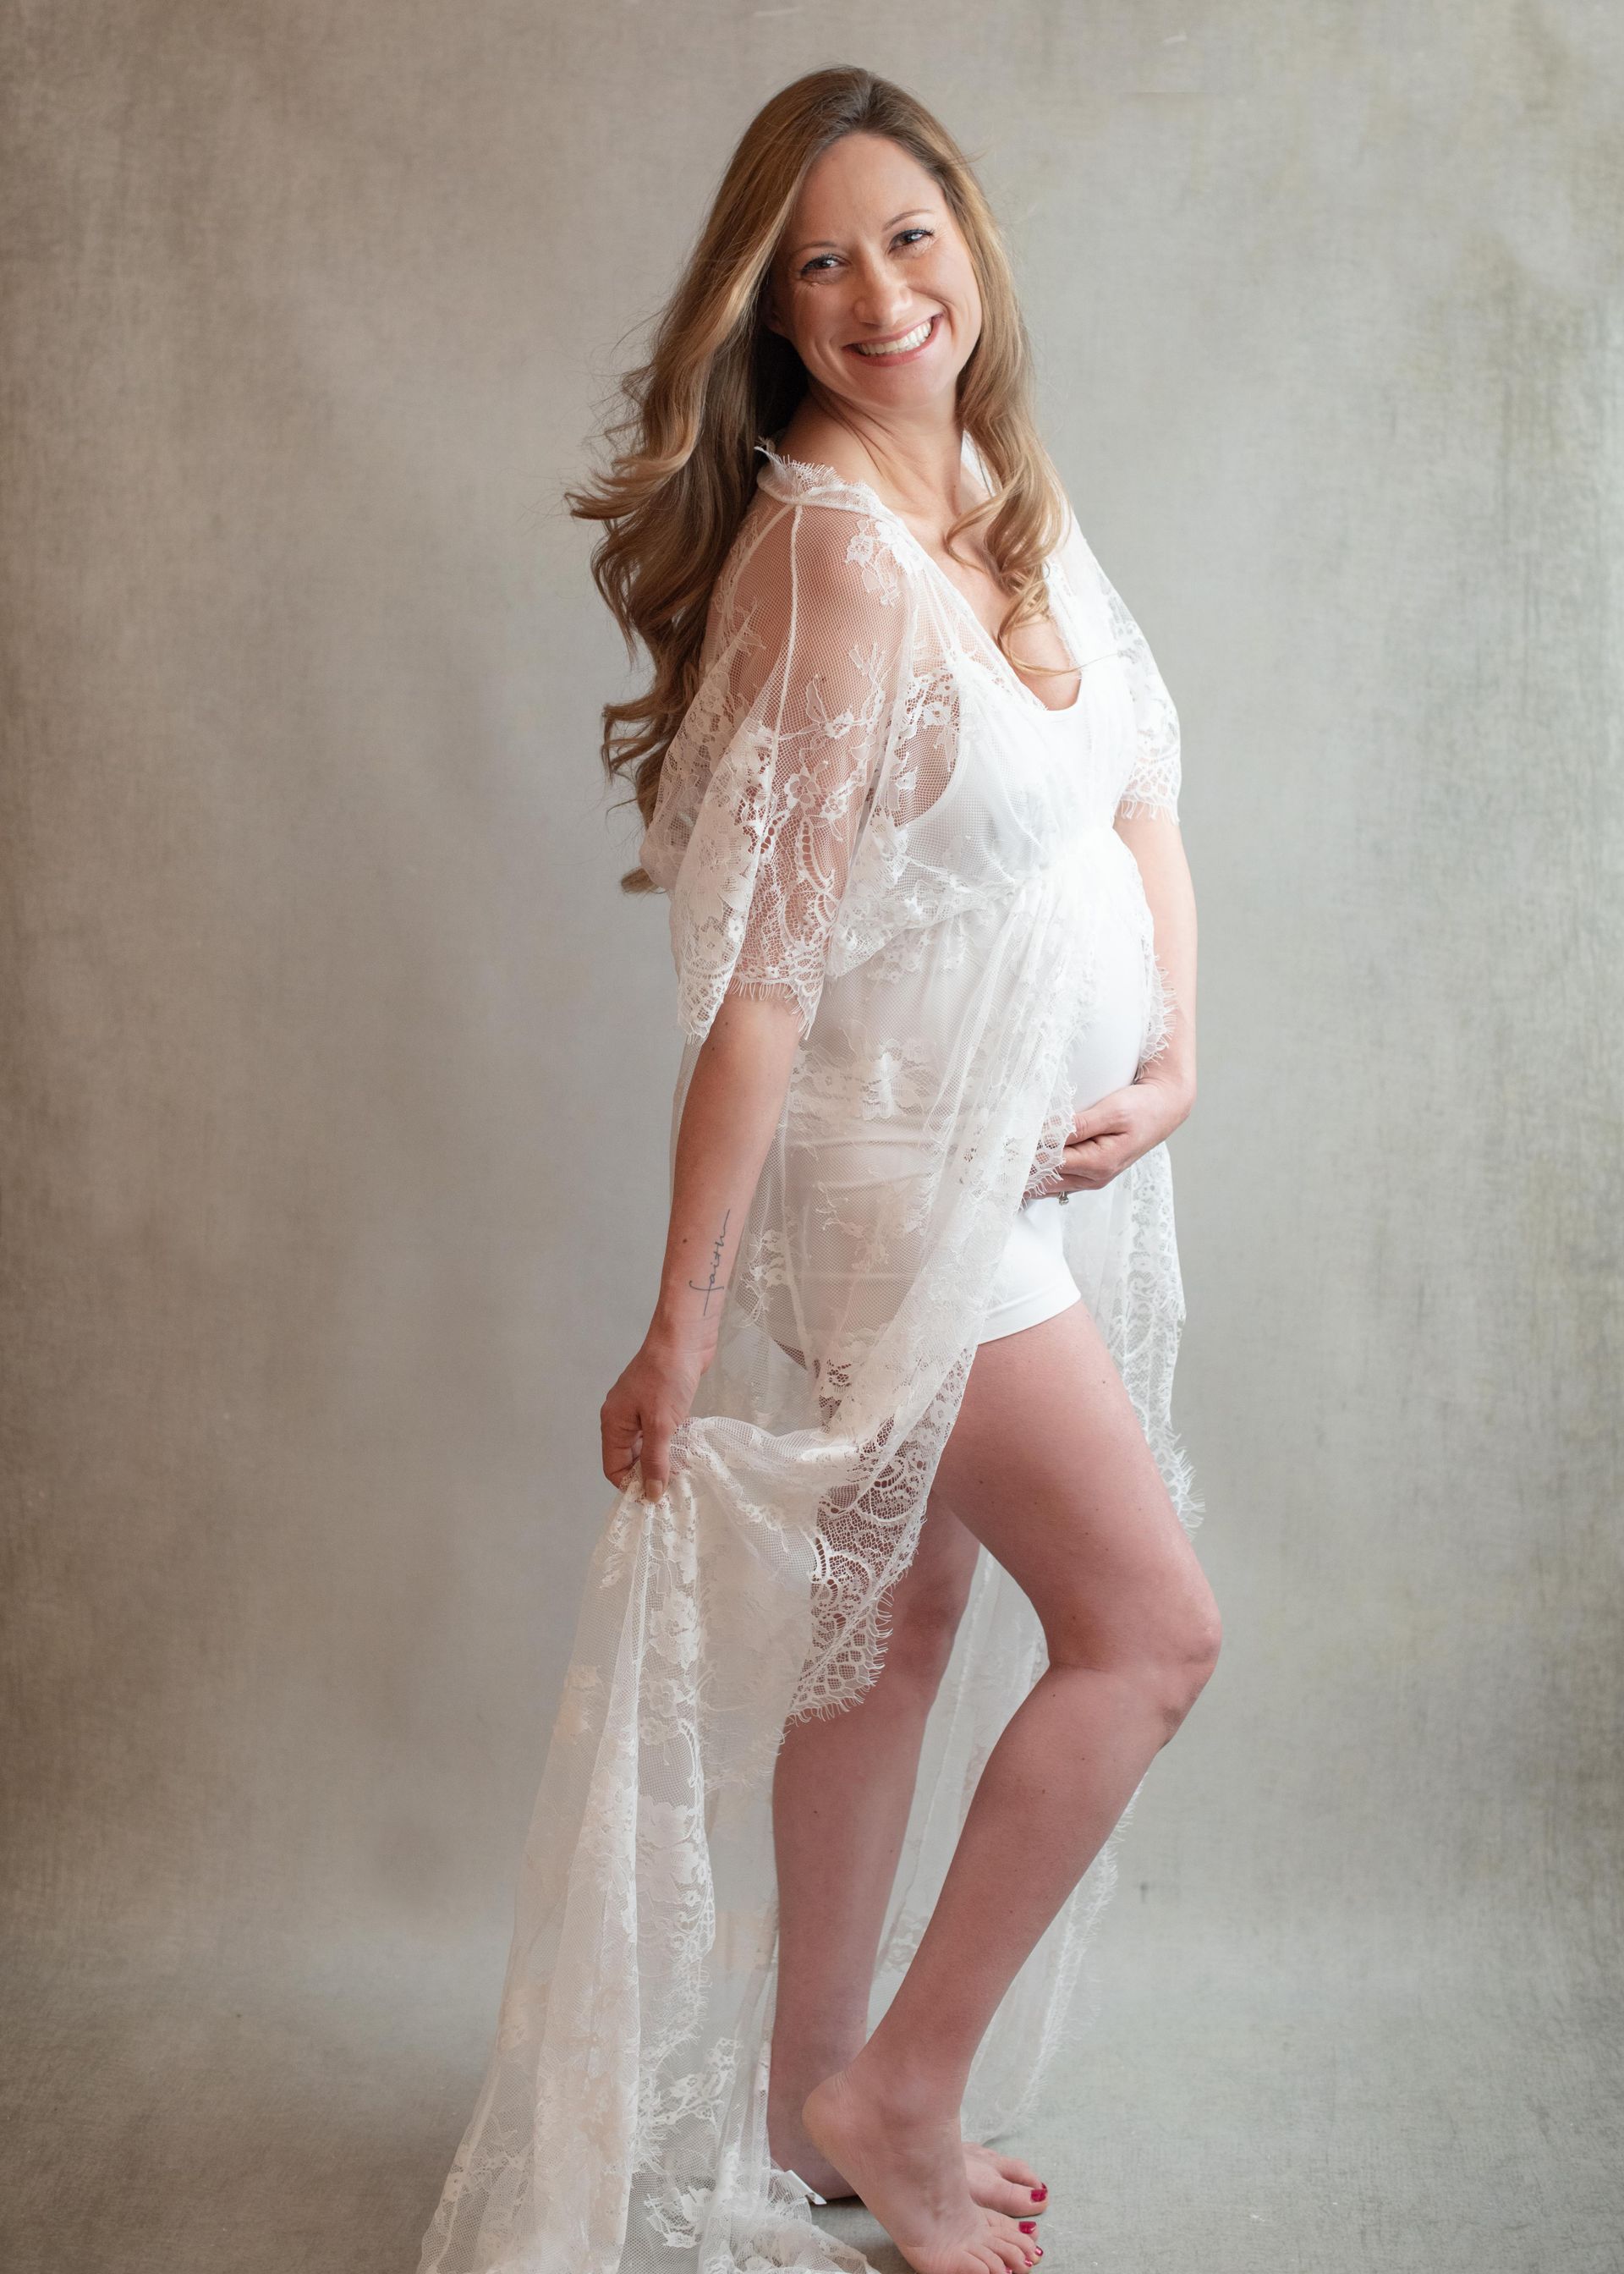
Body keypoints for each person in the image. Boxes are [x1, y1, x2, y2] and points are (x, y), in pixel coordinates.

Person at [416, 64, 1220, 2274]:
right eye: (820, 264)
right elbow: (758, 992)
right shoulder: (837, 558)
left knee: (901, 1626)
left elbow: (1142, 782)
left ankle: (803, 2106)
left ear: (972, 243)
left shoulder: (994, 484)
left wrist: (1176, 1061)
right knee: (1150, 1635)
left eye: (910, 235)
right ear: (771, 312)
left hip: (1035, 1174)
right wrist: (675, 1329)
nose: (880, 293)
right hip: (914, 1200)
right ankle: (899, 2092)